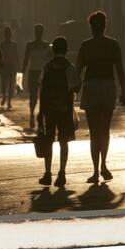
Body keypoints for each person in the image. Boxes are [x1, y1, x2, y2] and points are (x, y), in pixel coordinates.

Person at [76, 11, 125, 183]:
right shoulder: (112, 45)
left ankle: (96, 171)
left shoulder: (86, 45)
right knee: (104, 130)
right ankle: (104, 165)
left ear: (91, 26)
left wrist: (73, 89)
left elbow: (78, 70)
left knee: (93, 132)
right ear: (105, 26)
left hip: (91, 87)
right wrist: (124, 92)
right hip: (107, 87)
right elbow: (120, 70)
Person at [37, 37, 81, 187]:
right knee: (64, 141)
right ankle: (62, 173)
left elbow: (42, 91)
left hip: (49, 109)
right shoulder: (70, 67)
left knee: (49, 140)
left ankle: (47, 173)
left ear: (53, 50)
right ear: (66, 50)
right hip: (65, 109)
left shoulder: (47, 67)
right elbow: (76, 87)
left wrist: (40, 112)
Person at [22, 24, 51, 129]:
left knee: (43, 97)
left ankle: (40, 117)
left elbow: (49, 60)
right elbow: (25, 60)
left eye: (40, 32)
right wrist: (21, 74)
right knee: (33, 96)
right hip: (33, 73)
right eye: (37, 32)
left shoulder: (46, 45)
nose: (38, 34)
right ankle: (31, 115)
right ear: (35, 33)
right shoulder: (30, 45)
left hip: (43, 73)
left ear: (42, 33)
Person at [0, 26, 19, 110]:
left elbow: (16, 55)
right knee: (4, 84)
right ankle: (4, 96)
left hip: (11, 66)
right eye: (7, 34)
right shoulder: (2, 44)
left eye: (9, 34)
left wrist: (18, 65)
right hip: (5, 65)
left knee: (11, 84)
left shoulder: (14, 44)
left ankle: (9, 101)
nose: (8, 35)